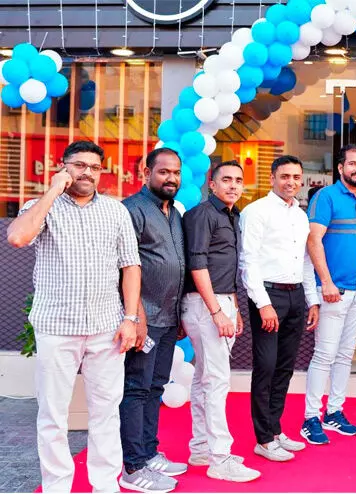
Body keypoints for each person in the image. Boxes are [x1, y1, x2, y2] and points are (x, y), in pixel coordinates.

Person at [7, 140, 141, 492]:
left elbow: (130, 266)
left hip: (106, 329)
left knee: (106, 412)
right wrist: (53, 190)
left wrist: (130, 318)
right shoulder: (42, 207)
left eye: (94, 167)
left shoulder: (115, 211)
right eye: (79, 165)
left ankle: (105, 485)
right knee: (53, 415)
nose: (87, 173)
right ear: (63, 166)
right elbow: (18, 237)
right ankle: (56, 487)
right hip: (57, 327)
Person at [181, 160, 261, 483]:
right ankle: (220, 457)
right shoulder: (202, 214)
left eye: (238, 180)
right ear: (211, 184)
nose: (233, 185)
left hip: (221, 301)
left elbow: (226, 267)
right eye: (226, 179)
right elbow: (197, 265)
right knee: (216, 381)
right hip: (206, 304)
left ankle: (201, 448)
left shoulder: (232, 216)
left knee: (204, 377)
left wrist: (235, 308)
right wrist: (217, 311)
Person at [239, 155, 319, 462]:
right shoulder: (256, 211)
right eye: (285, 176)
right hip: (268, 295)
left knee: (285, 367)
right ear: (272, 178)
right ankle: (263, 439)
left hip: (296, 295)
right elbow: (248, 261)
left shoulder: (300, 215)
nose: (291, 182)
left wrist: (311, 299)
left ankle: (275, 430)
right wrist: (263, 304)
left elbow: (306, 261)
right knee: (266, 367)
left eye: (296, 177)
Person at [119, 148, 188, 492]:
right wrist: (137, 316)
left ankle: (148, 453)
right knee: (137, 389)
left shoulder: (174, 212)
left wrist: (179, 314)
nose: (171, 178)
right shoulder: (131, 210)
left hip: (168, 318)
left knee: (156, 387)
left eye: (175, 172)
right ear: (146, 173)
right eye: (163, 172)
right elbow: (123, 267)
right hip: (144, 318)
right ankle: (133, 467)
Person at [300, 144, 356, 445]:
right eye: (352, 163)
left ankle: (334, 411)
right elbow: (313, 240)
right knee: (324, 355)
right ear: (341, 167)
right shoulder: (325, 196)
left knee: (345, 355)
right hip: (334, 291)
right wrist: (326, 282)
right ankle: (310, 417)